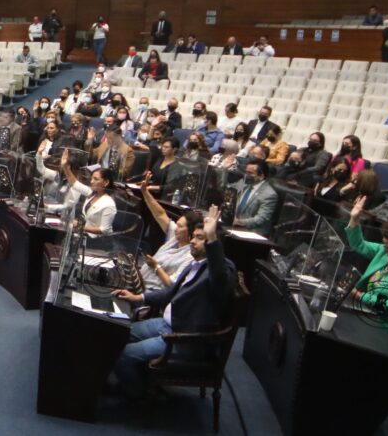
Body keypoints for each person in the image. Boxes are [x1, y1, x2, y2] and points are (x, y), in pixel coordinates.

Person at [111, 205, 234, 398]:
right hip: (166, 324)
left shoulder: (223, 269)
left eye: (200, 238)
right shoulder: (195, 263)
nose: (192, 242)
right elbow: (170, 292)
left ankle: (137, 395)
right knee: (116, 335)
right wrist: (139, 298)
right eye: (193, 236)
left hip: (184, 338)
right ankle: (132, 382)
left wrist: (211, 239)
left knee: (123, 355)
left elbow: (219, 277)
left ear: (214, 242)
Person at [345, 197, 388, 358]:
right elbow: (358, 244)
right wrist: (354, 218)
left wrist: (358, 295)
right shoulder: (385, 251)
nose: (385, 249)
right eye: (384, 244)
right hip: (367, 314)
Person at [139, 171, 204, 289]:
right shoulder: (175, 237)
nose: (175, 229)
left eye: (180, 226)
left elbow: (172, 285)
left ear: (190, 231)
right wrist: (145, 192)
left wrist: (156, 266)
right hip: (140, 283)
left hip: (152, 294)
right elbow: (160, 214)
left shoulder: (190, 256)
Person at [60, 153, 117, 237]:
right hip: (83, 234)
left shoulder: (109, 204)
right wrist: (65, 167)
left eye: (96, 179)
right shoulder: (91, 193)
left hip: (95, 241)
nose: (91, 181)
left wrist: (81, 226)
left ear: (106, 182)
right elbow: (74, 183)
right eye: (92, 178)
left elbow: (104, 230)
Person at [231, 160, 278, 237]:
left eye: (250, 173)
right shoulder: (243, 183)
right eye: (246, 172)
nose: (246, 175)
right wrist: (224, 170)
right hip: (234, 226)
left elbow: (261, 219)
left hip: (252, 232)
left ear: (261, 175)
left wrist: (239, 222)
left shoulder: (269, 194)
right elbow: (227, 190)